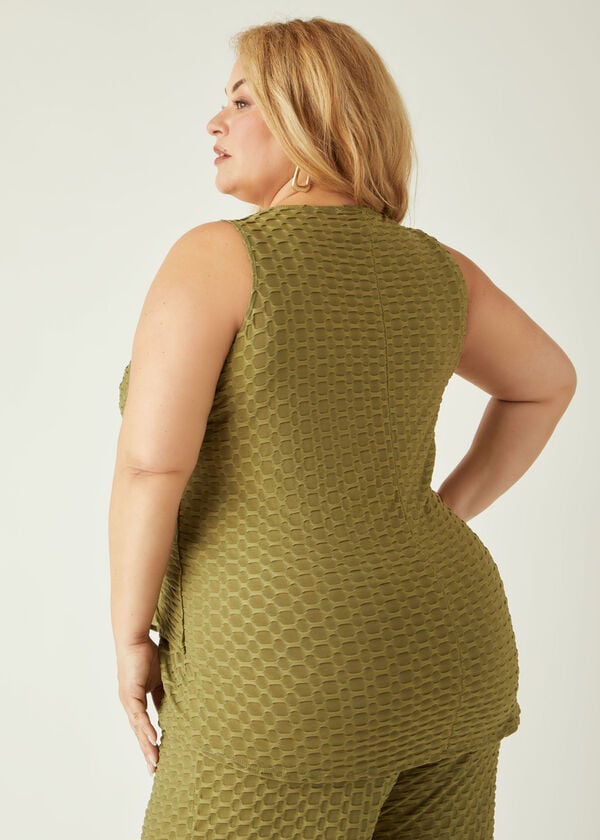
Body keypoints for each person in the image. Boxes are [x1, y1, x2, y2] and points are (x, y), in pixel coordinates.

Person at [108, 16, 577, 840]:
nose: (215, 122)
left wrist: (129, 636)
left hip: (282, 669)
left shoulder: (218, 258)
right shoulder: (441, 270)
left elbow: (152, 467)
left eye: (242, 101)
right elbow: (546, 385)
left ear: (311, 116)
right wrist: (435, 514)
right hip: (450, 654)